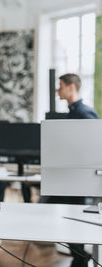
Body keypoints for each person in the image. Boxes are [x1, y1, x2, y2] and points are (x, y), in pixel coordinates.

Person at [46, 73, 99, 267]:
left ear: (71, 87)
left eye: (60, 86)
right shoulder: (73, 112)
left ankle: (81, 259)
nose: (57, 90)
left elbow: (95, 147)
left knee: (74, 222)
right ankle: (79, 258)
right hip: (69, 178)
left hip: (80, 180)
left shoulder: (84, 113)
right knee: (52, 211)